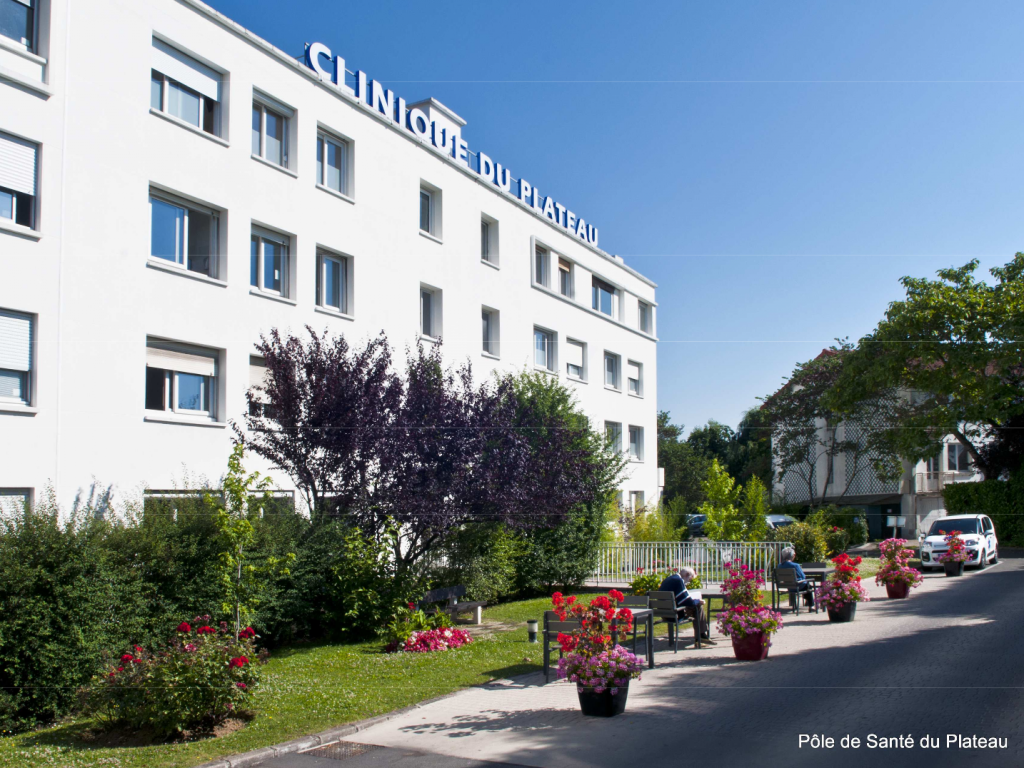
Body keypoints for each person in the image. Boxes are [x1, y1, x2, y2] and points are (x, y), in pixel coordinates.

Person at [658, 566, 713, 642]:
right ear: (687, 575)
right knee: (698, 607)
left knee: (696, 606)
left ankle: (701, 635)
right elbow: (685, 601)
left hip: (664, 613)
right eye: (690, 579)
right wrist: (697, 601)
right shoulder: (678, 581)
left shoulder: (670, 579)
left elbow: (680, 598)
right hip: (674, 614)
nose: (688, 582)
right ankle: (701, 636)